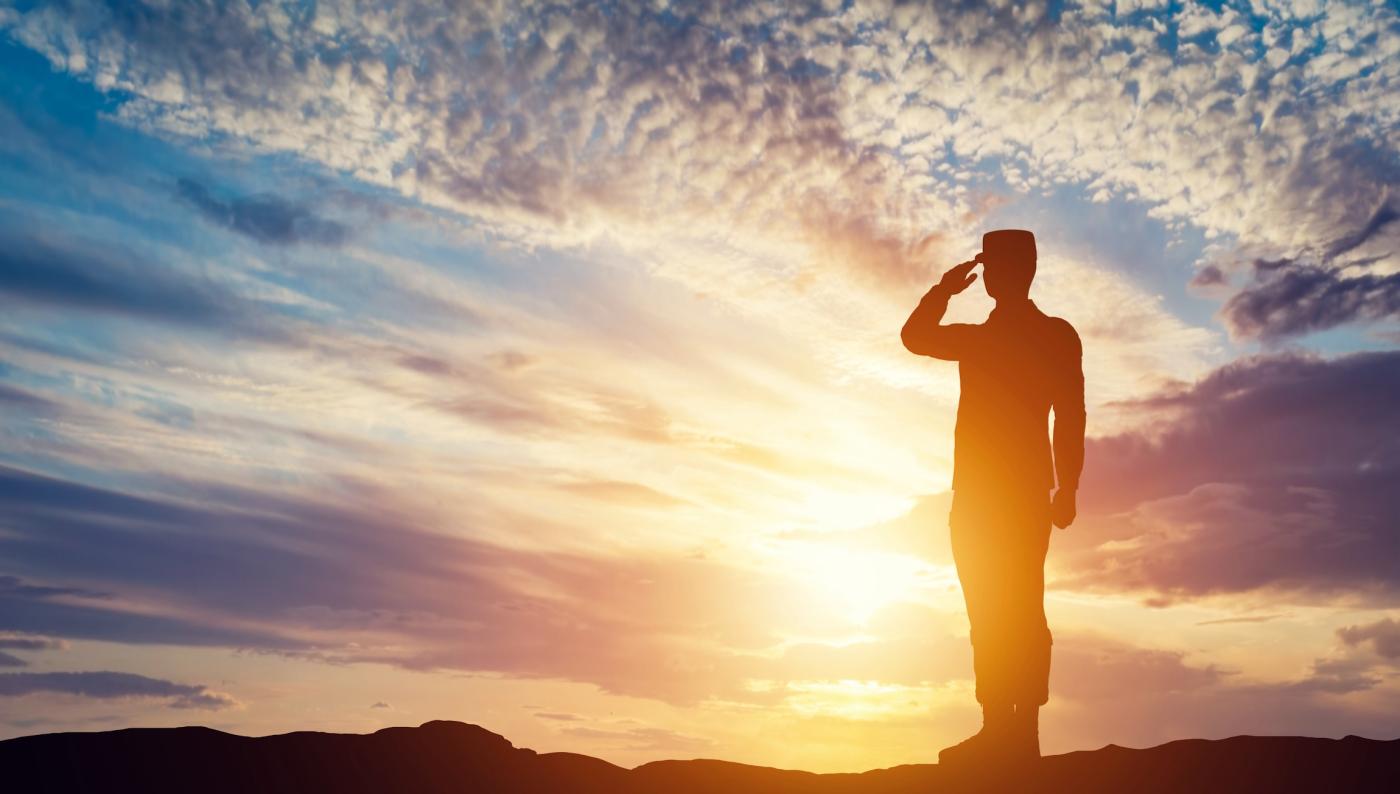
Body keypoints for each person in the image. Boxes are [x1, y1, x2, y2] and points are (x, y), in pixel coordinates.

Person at [900, 229, 1085, 765]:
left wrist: (1068, 483)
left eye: (1007, 265)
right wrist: (943, 290)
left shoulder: (1050, 336)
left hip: (1017, 496)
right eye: (998, 267)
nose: (1004, 276)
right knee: (989, 608)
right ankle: (999, 725)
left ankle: (1019, 729)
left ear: (1024, 270)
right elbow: (914, 337)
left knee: (1018, 607)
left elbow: (1070, 415)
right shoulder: (982, 339)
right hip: (980, 499)